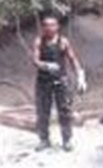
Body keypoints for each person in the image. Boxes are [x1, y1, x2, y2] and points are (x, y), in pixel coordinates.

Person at [32, 11, 86, 151]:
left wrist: (80, 76)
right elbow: (35, 60)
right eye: (46, 25)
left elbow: (73, 59)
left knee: (65, 111)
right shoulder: (39, 41)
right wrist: (45, 65)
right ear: (43, 27)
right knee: (43, 112)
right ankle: (44, 139)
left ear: (57, 26)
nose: (49, 28)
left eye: (52, 25)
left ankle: (66, 140)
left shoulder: (63, 41)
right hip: (43, 82)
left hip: (60, 81)